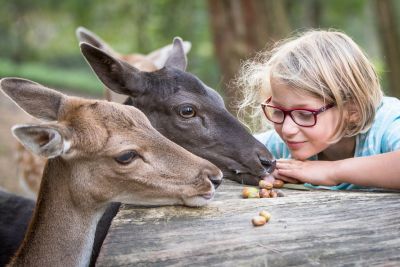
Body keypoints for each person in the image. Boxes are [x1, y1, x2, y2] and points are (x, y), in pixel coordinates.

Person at [236, 29, 400, 190]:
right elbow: (226, 155)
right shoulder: (284, 144)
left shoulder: (387, 123)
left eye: (305, 115)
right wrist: (260, 172)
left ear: (352, 110)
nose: (287, 129)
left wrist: (331, 171)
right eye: (278, 111)